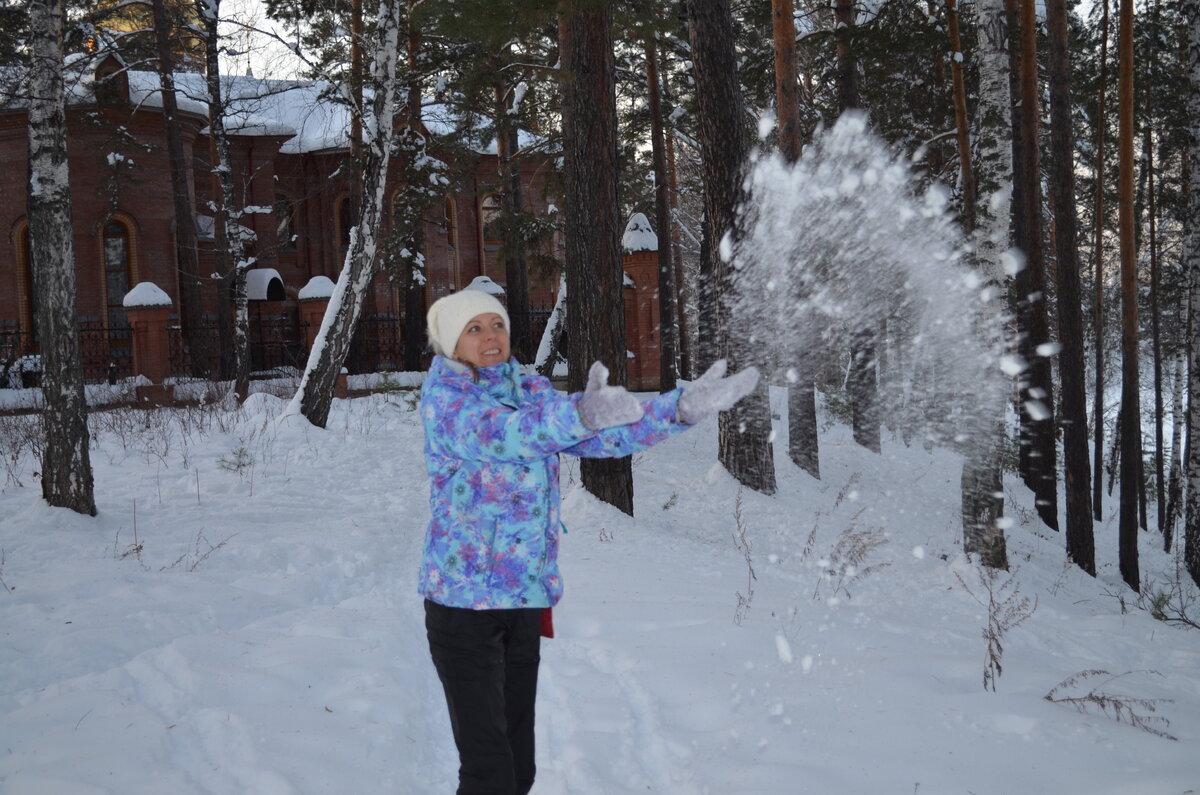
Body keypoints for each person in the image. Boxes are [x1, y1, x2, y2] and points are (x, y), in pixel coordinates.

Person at [419, 288, 758, 795]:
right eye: (475, 328)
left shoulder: (529, 390)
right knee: (489, 773)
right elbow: (507, 436)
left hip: (523, 600)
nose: (492, 337)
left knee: (520, 767)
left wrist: (679, 410)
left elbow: (600, 432)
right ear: (451, 341)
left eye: (498, 325)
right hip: (464, 606)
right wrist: (575, 416)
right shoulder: (448, 401)